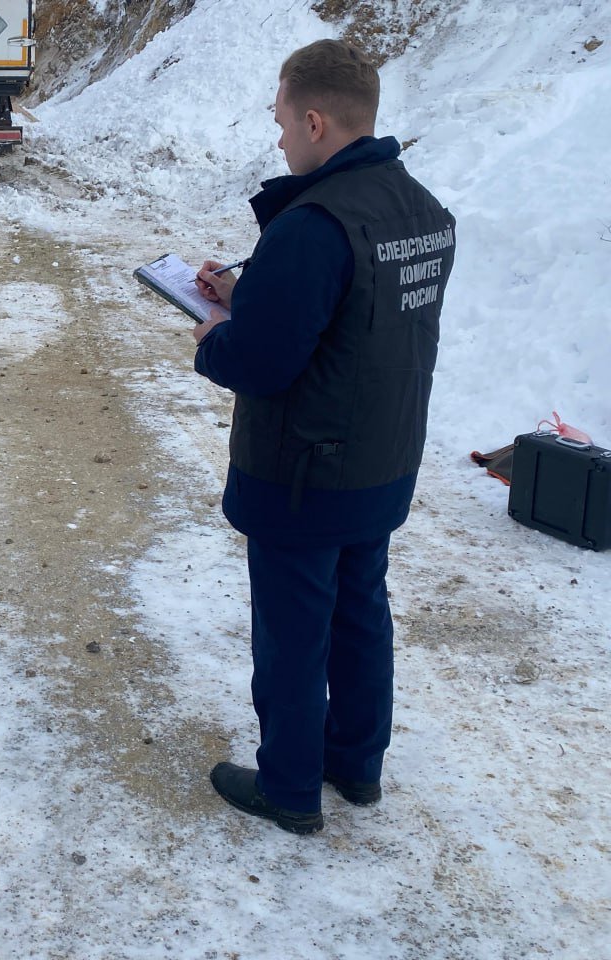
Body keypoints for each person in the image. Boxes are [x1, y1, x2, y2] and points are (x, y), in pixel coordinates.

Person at [190, 39, 455, 834]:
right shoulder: (419, 209)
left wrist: (214, 338)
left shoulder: (312, 224)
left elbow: (266, 362)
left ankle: (291, 788)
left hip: (304, 474)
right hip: (380, 464)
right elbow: (352, 322)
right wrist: (251, 292)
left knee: (294, 636)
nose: (278, 139)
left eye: (280, 122)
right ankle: (355, 763)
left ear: (313, 120)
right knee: (362, 614)